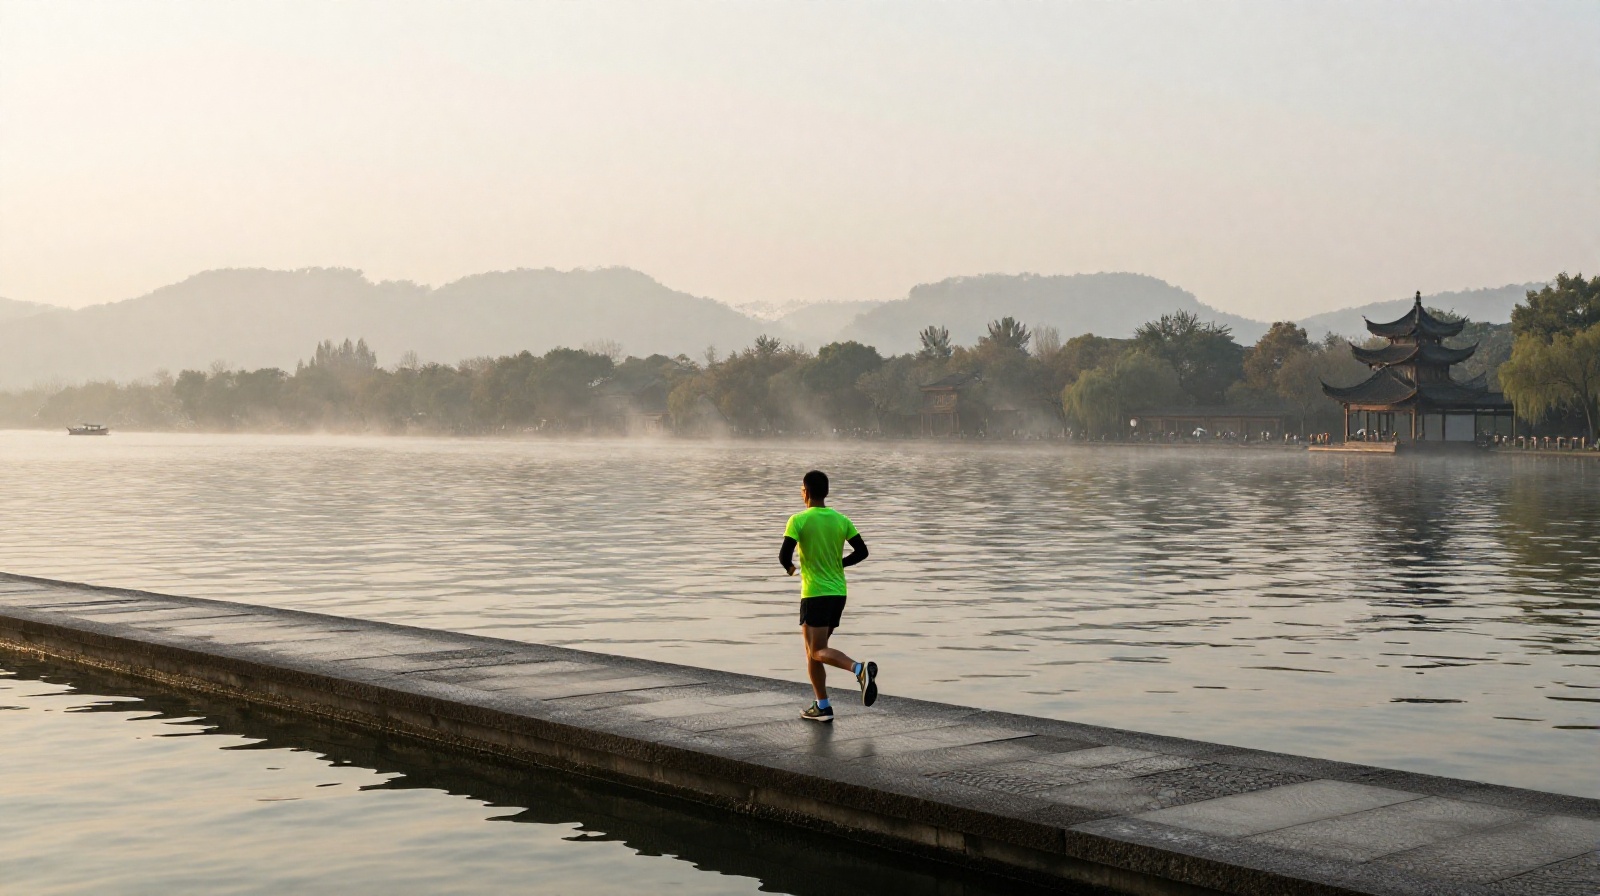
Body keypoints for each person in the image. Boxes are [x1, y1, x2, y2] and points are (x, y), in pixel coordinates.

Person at [778, 469, 876, 722]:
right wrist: (838, 564)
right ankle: (822, 705)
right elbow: (862, 552)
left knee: (816, 650)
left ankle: (858, 669)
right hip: (838, 593)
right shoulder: (841, 519)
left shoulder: (798, 520)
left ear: (806, 492)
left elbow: (783, 556)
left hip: (815, 594)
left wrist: (790, 569)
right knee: (813, 649)